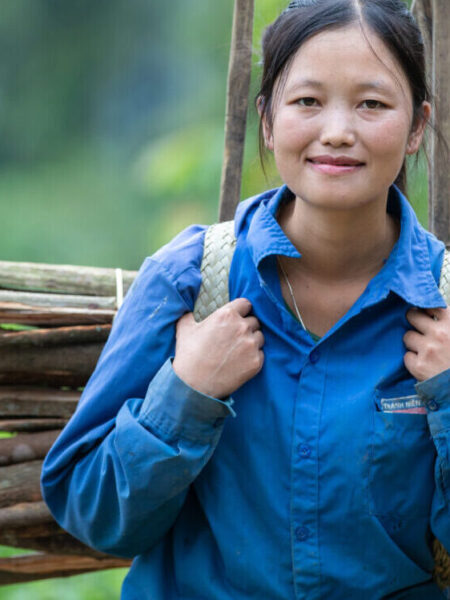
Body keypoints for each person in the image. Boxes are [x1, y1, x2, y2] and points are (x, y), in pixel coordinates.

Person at [41, 1, 450, 598]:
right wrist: (186, 393)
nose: (337, 130)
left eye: (372, 104)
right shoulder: (189, 280)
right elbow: (94, 513)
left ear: (417, 126)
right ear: (267, 119)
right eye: (308, 101)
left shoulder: (443, 304)